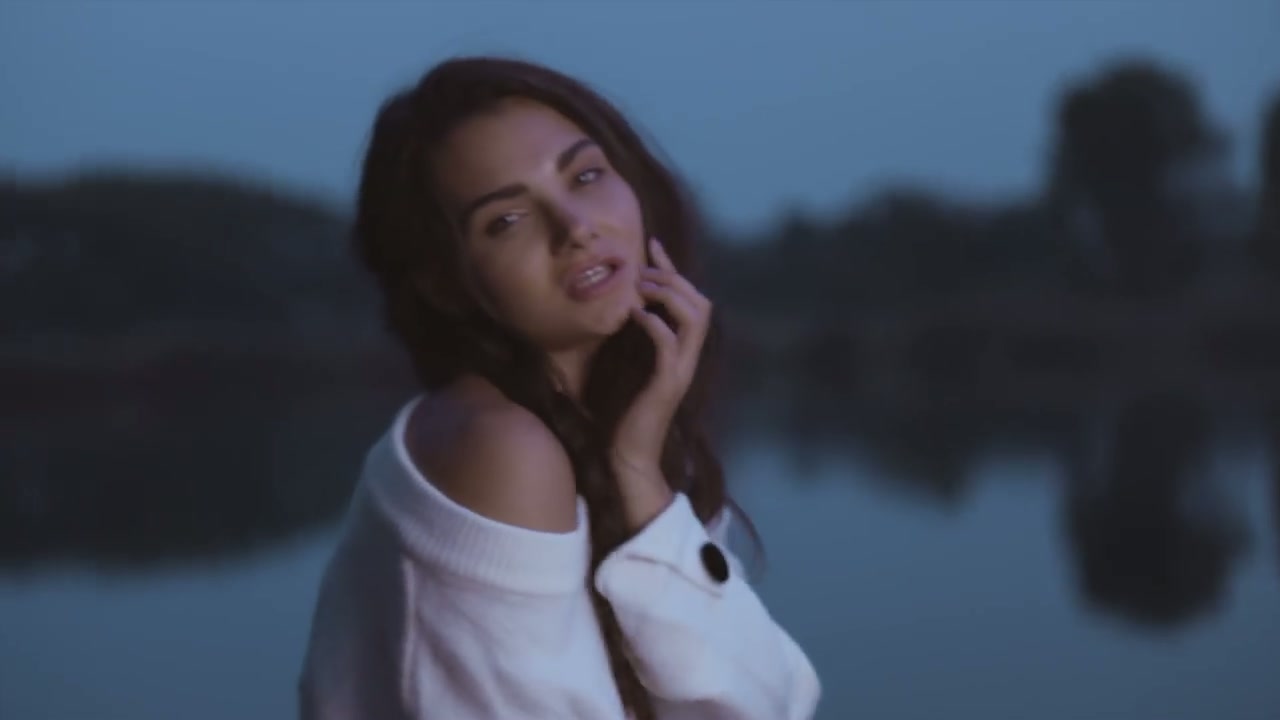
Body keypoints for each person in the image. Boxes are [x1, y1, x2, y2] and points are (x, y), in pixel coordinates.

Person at [298, 55, 821, 720]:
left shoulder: (617, 430)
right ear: (443, 284)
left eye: (586, 176)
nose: (576, 227)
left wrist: (641, 477)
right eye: (506, 220)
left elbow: (768, 701)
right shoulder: (499, 448)